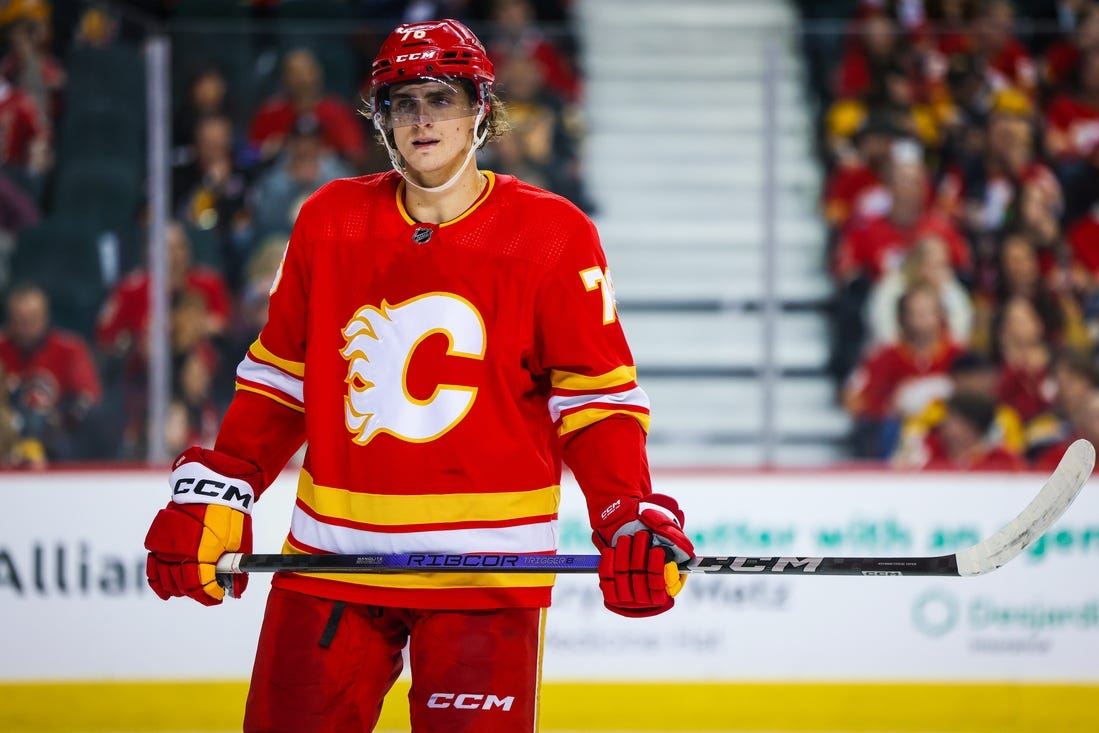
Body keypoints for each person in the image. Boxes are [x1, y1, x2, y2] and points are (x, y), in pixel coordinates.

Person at [143, 19, 694, 733]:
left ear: (480, 112)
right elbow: (280, 379)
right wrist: (227, 481)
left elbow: (594, 400)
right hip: (334, 559)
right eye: (402, 103)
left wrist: (624, 509)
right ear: (382, 121)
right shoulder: (328, 221)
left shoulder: (554, 235)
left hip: (485, 574)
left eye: (440, 97)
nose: (421, 118)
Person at [0, 282, 102, 462]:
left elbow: (89, 398)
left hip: (57, 437)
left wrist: (60, 420)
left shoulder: (69, 349)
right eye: (19, 320)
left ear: (45, 317)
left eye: (31, 319)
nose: (25, 327)